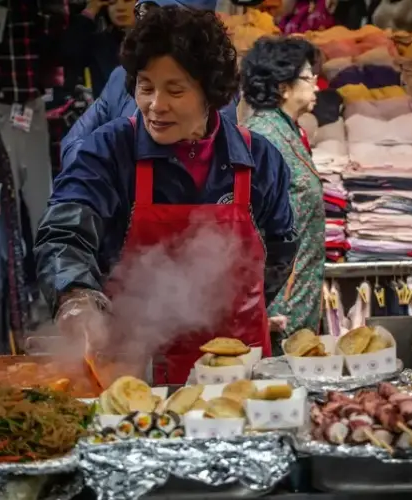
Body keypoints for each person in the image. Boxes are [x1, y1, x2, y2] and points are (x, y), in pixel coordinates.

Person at [35, 7, 298, 384]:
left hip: (239, 376)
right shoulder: (108, 152)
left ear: (210, 93)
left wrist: (244, 308)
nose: (156, 105)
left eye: (175, 90)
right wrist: (75, 295)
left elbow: (280, 250)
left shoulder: (259, 160)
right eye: (146, 86)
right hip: (131, 374)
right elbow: (64, 233)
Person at [58, 0, 240, 170]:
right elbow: (72, 144)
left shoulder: (215, 88)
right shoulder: (121, 76)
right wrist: (109, 171)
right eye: (146, 14)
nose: (157, 105)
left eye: (175, 91)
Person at [241, 37, 325, 353]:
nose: (317, 86)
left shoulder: (287, 129)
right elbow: (250, 228)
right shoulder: (263, 137)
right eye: (308, 77)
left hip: (296, 294)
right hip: (277, 304)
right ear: (282, 87)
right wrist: (262, 306)